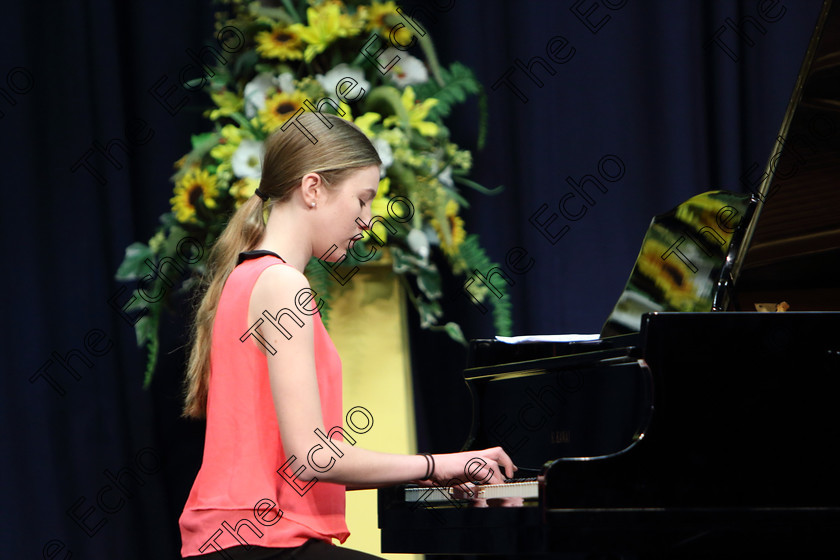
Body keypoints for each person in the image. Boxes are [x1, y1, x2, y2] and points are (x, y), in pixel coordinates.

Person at [178, 112, 517, 559]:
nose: (368, 219)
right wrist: (440, 463)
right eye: (362, 200)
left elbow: (305, 461)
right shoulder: (282, 284)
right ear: (313, 188)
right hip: (257, 542)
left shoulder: (251, 277)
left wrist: (431, 473)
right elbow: (314, 458)